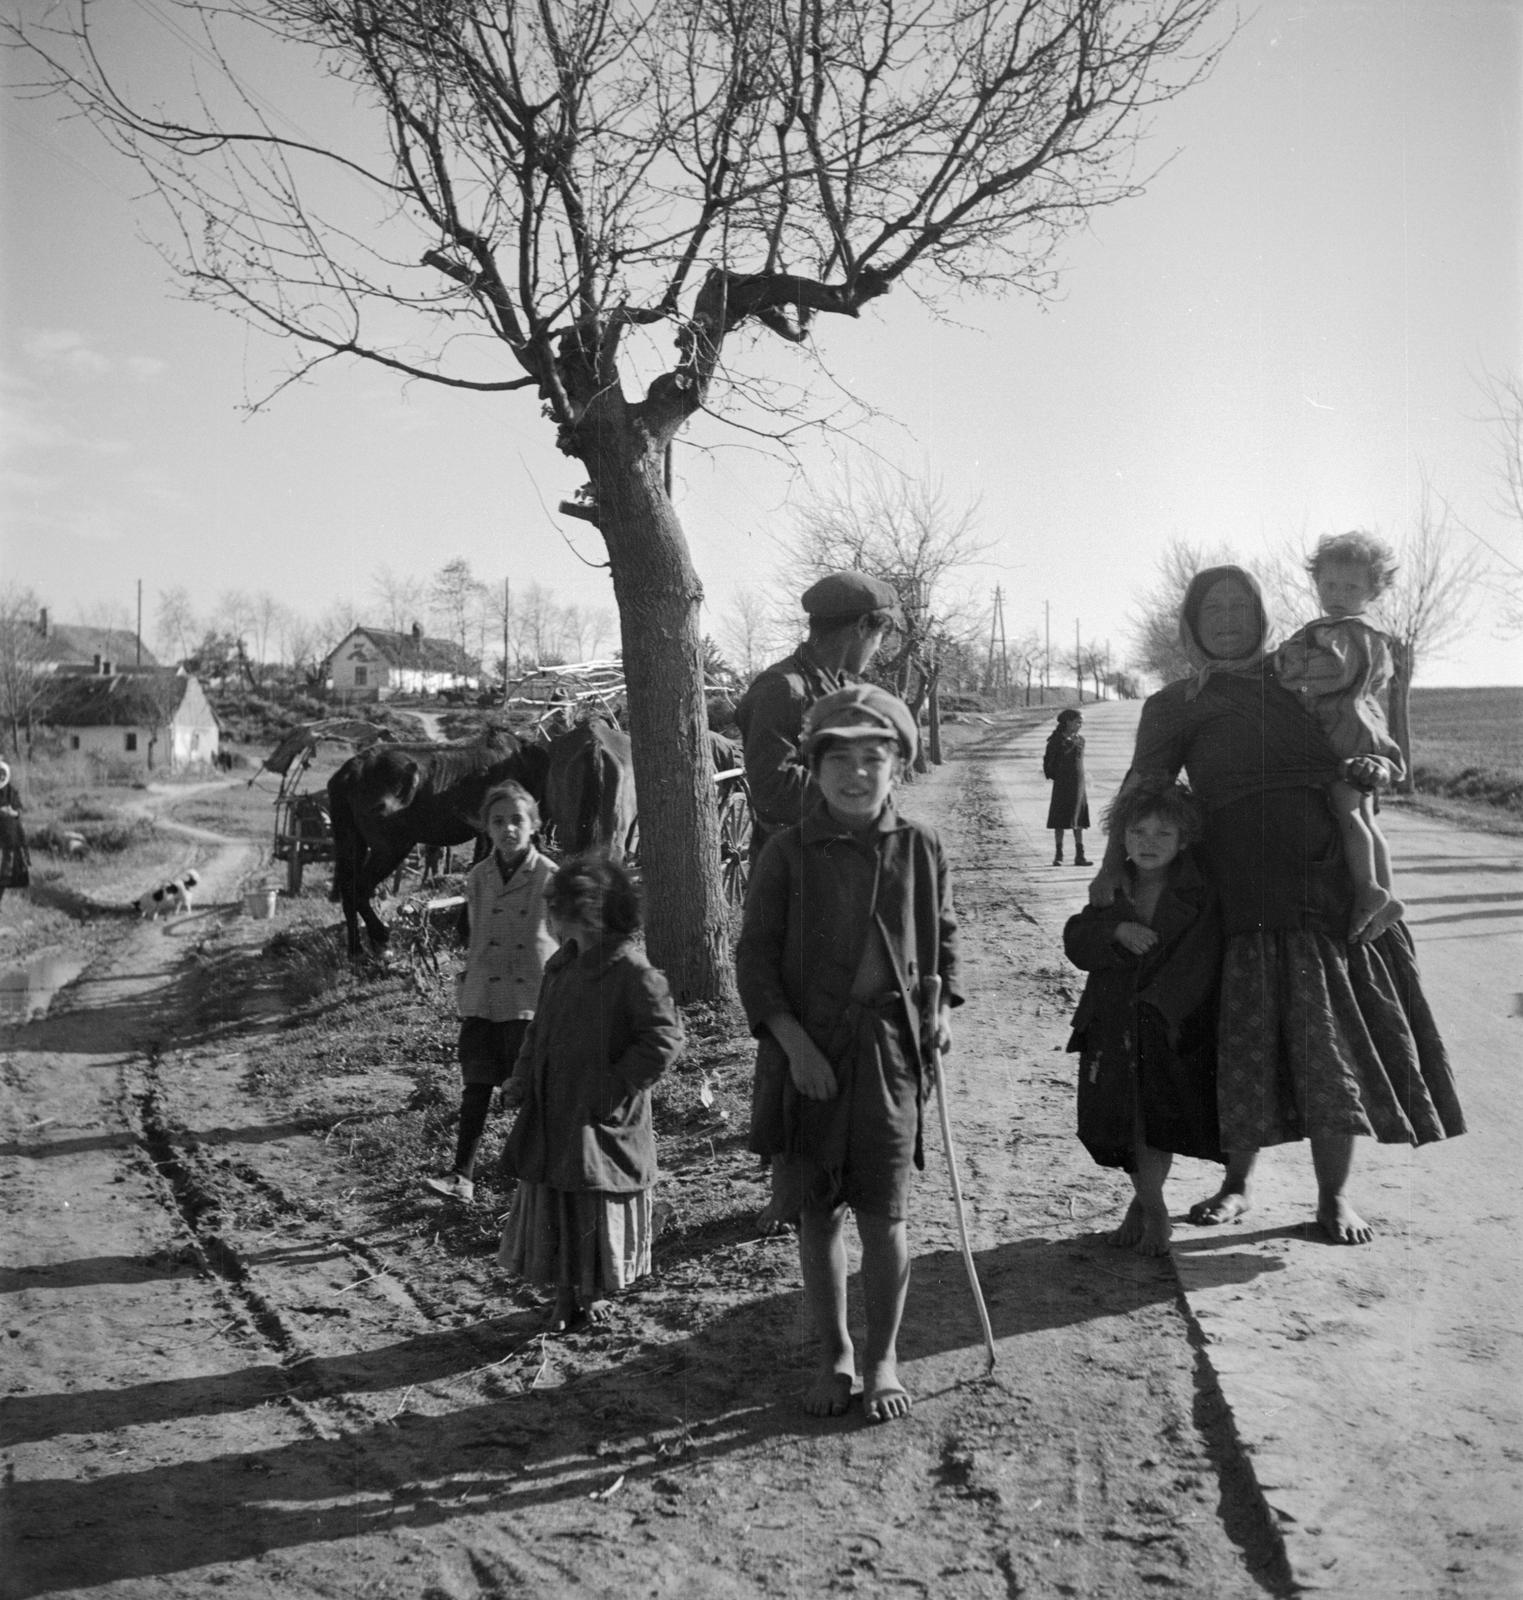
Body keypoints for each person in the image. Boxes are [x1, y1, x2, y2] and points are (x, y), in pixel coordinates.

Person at [1089, 565, 1463, 1245]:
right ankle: (1231, 1184)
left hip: (1324, 886)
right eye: (1212, 609)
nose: (1226, 619)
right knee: (1236, 1043)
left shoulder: (1304, 677)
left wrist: (1372, 772)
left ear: (1261, 615)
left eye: (1240, 606)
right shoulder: (1173, 703)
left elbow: (1364, 737)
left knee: (1327, 1045)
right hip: (1228, 895)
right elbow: (1143, 785)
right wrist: (1109, 867)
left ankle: (1334, 1197)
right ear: (1192, 622)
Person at [737, 684, 962, 1422]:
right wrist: (793, 1047)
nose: (856, 774)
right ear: (814, 766)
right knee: (816, 1213)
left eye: (874, 758)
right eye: (839, 759)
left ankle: (882, 1357)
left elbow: (944, 938)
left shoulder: (920, 847)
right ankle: (833, 1352)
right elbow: (756, 964)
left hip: (890, 1056)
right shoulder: (786, 853)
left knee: (883, 1215)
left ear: (897, 764)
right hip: (809, 1053)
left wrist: (938, 1008)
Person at [497, 854, 685, 1330]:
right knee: (557, 1202)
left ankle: (592, 1290)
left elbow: (663, 1039)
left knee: (592, 1205)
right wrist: (520, 1077)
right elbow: (539, 1030)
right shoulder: (562, 966)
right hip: (554, 1110)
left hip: (600, 1115)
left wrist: (615, 1087)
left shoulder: (633, 972)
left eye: (556, 913)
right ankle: (564, 1295)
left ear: (588, 914)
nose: (550, 923)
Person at [1063, 778, 1222, 1257]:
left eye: (1163, 834)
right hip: (1112, 1025)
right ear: (1122, 837)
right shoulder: (1114, 886)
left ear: (1185, 839)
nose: (1148, 843)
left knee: (1155, 1122)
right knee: (1125, 1121)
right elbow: (1076, 940)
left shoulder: (1199, 890)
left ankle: (1150, 1209)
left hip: (1167, 1025)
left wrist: (1163, 1005)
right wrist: (1115, 930)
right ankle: (1149, 1204)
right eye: (1138, 832)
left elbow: (1203, 957)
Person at [423, 781, 558, 1204]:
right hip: (483, 995)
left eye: (517, 821)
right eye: (498, 822)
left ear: (534, 827)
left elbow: (563, 938)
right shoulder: (478, 876)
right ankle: (462, 1175)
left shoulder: (550, 878)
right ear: (487, 829)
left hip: (527, 999)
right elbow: (477, 935)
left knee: (529, 1091)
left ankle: (536, 1181)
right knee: (476, 1086)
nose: (508, 830)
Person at [1276, 531, 1406, 942]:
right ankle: (1386, 895)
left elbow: (1330, 673)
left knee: (1347, 811)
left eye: (1351, 587)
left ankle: (1369, 889)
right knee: (1366, 817)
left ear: (1373, 591)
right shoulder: (1373, 634)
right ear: (1317, 582)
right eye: (1330, 584)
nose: (1337, 594)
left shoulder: (1341, 631)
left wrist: (1289, 663)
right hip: (1364, 728)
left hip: (1342, 733)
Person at [734, 570, 902, 861]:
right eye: (879, 637)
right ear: (862, 626)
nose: (876, 649)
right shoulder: (781, 688)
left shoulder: (843, 689)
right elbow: (772, 788)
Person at [1043, 708, 1091, 866]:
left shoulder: (1081, 740)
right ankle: (1059, 855)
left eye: (1081, 722)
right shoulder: (1056, 740)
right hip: (1062, 785)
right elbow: (1048, 763)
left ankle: (1080, 855)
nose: (1080, 725)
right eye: (1078, 722)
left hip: (1078, 785)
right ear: (1068, 722)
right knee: (1060, 820)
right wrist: (1057, 776)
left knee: (1079, 820)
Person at [0, 759, 29, 905]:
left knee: (6, 873)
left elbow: (19, 811)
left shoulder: (11, 791)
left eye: (3, 774)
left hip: (9, 837)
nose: (0, 777)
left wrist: (12, 812)